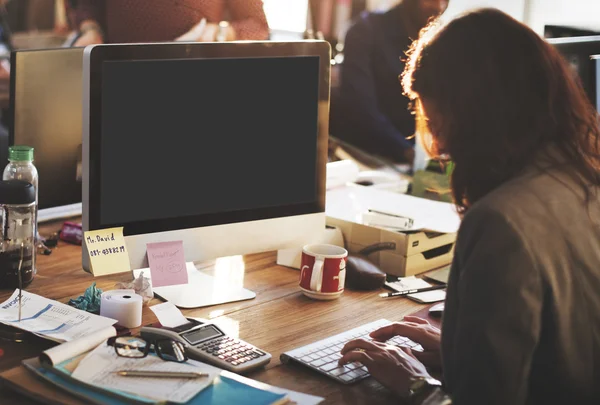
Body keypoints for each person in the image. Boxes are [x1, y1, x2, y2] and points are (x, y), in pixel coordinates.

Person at [338, 8, 600, 405]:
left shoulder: (501, 221)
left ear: (477, 116)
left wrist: (414, 384)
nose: (440, 149)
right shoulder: (584, 181)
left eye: (439, 125)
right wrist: (462, 353)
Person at [333, 0, 449, 163]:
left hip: (414, 159)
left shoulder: (438, 40)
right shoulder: (365, 30)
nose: (439, 7)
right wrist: (407, 150)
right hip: (365, 157)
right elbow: (360, 107)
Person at [66, 0, 269, 46]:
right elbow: (88, 5)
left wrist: (220, 33)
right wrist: (91, 28)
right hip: (114, 77)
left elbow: (258, 26)